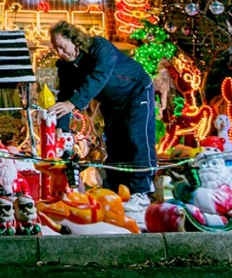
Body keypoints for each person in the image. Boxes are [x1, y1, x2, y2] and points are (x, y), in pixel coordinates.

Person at [46, 20, 156, 220]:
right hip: (112, 101)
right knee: (114, 141)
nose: (60, 53)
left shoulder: (100, 48)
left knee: (137, 138)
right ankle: (116, 188)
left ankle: (142, 191)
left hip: (136, 92)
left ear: (74, 39)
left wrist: (73, 103)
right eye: (56, 49)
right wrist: (61, 129)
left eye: (62, 46)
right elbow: (65, 95)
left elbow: (98, 77)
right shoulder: (65, 66)